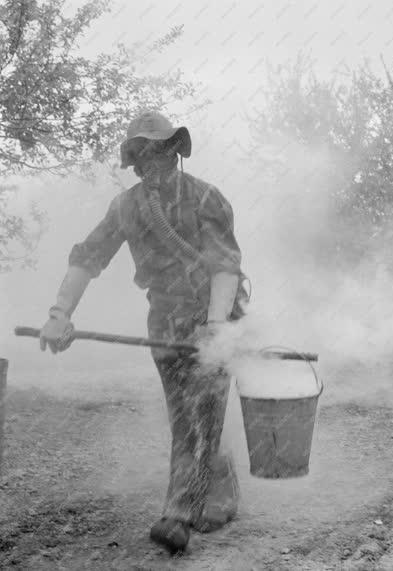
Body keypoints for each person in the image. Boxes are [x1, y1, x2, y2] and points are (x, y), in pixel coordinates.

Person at [38, 111, 248, 553]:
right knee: (189, 417)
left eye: (160, 149)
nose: (152, 160)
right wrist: (59, 313)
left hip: (214, 320)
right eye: (142, 152)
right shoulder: (126, 206)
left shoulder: (206, 198)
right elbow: (87, 257)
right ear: (133, 159)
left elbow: (225, 266)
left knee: (200, 413)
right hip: (163, 324)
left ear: (176, 151)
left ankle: (179, 515)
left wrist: (213, 328)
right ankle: (221, 491)